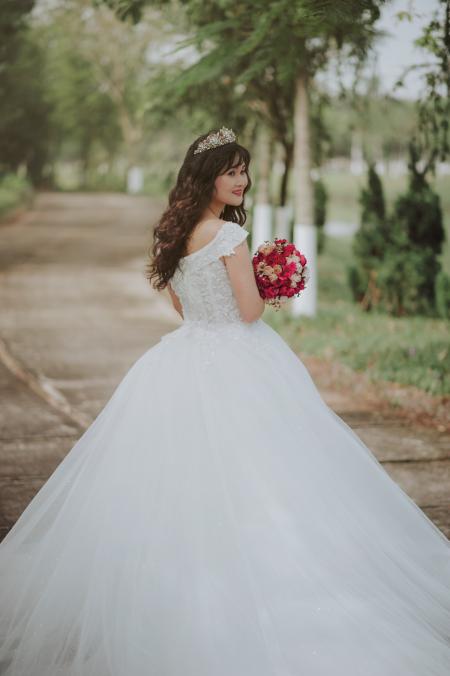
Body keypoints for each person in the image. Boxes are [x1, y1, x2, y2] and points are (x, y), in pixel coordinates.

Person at [0, 127, 449, 676]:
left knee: (179, 480)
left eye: (243, 170)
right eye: (230, 170)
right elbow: (251, 312)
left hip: (184, 357)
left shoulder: (175, 231)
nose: (240, 180)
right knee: (268, 473)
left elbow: (184, 310)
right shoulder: (229, 237)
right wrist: (274, 283)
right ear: (206, 175)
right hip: (240, 358)